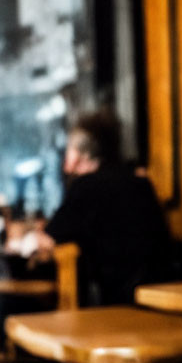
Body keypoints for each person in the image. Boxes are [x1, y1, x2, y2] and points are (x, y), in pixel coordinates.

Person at [36, 111, 170, 305]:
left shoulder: (85, 186)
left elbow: (48, 239)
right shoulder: (141, 182)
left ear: (80, 155)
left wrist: (29, 239)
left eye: (69, 149)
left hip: (115, 303)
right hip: (157, 296)